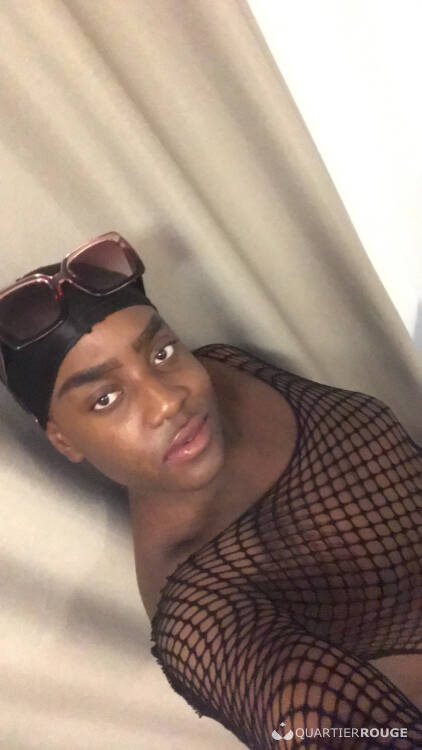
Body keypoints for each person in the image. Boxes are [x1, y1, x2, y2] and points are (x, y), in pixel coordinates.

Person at [0, 232, 421, 750]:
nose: (168, 401)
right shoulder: (201, 613)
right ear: (64, 439)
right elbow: (314, 722)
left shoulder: (225, 368)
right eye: (106, 397)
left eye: (161, 352)